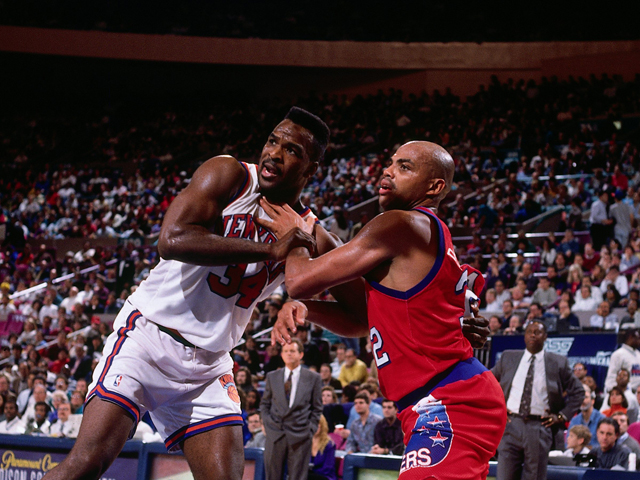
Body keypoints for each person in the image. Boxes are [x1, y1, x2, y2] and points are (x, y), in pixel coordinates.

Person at [41, 106, 330, 480]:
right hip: (149, 339)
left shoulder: (308, 231)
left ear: (311, 169)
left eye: (292, 150)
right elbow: (171, 239)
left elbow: (359, 308)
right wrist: (271, 250)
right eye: (273, 140)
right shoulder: (231, 175)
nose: (274, 153)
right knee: (85, 465)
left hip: (209, 365)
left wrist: (302, 300)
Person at [269, 141, 504, 479]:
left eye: (405, 167)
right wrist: (305, 307)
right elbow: (361, 321)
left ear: (435, 187)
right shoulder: (418, 234)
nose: (388, 171)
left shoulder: (400, 224)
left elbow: (300, 279)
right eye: (391, 163)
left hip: (450, 400)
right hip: (439, 399)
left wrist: (295, 235)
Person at [492, 320, 584, 480]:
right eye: (529, 331)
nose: (533, 335)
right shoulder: (508, 357)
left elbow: (578, 391)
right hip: (510, 425)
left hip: (539, 427)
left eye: (537, 332)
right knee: (504, 476)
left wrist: (561, 415)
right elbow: (488, 383)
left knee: (534, 477)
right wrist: (497, 408)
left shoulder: (557, 362)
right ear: (524, 336)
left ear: (545, 337)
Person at [261, 338, 323, 480]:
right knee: (272, 476)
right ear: (282, 354)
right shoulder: (272, 376)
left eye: (292, 351)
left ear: (300, 354)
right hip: (275, 434)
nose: (289, 354)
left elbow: (317, 408)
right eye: (286, 351)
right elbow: (265, 404)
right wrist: (267, 423)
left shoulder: (313, 378)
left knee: (298, 477)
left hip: (301, 434)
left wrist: (310, 429)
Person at [568, 383, 606, 448]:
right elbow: (568, 444)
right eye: (580, 397)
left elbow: (605, 444)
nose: (583, 400)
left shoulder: (602, 419)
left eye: (585, 397)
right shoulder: (574, 420)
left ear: (593, 401)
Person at [604, 327, 640, 393]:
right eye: (638, 339)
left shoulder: (638, 354)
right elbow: (611, 377)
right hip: (626, 393)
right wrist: (614, 393)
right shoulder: (618, 354)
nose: (639, 341)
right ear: (630, 338)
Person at [309, 415, 337, 480]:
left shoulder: (329, 445)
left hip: (325, 477)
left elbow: (328, 469)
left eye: (317, 423)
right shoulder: (306, 443)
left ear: (321, 426)